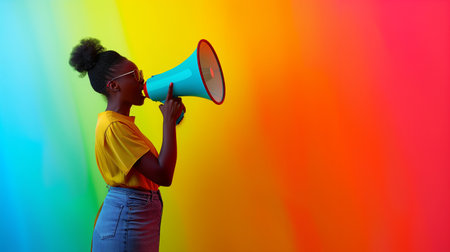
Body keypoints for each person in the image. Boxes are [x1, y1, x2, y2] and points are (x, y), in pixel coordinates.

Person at [69, 38, 185, 252]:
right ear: (113, 86)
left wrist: (174, 117)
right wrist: (168, 121)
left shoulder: (120, 123)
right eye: (134, 75)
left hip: (134, 216)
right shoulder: (114, 127)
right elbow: (163, 174)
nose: (142, 81)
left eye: (139, 73)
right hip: (128, 220)